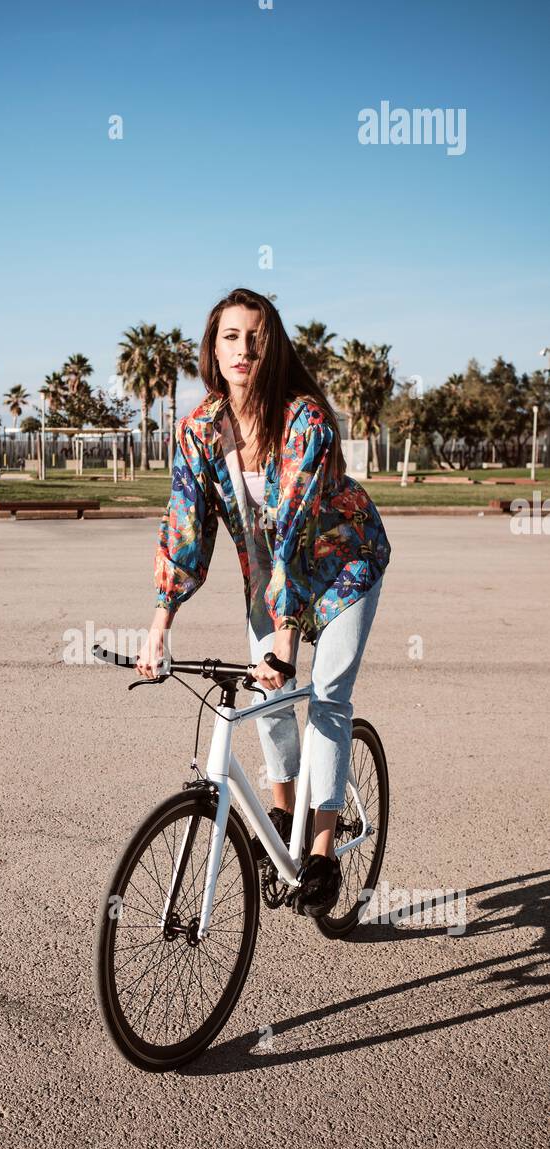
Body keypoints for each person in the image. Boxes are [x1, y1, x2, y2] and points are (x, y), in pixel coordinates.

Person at [136, 288, 391, 917]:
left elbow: (297, 534)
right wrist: (160, 623)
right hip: (270, 581)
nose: (243, 349)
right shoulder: (201, 429)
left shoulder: (306, 421)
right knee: (267, 697)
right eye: (230, 336)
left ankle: (323, 853)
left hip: (343, 566)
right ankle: (283, 809)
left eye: (255, 337)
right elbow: (185, 527)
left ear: (272, 347)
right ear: (213, 348)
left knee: (326, 698)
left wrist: (285, 642)